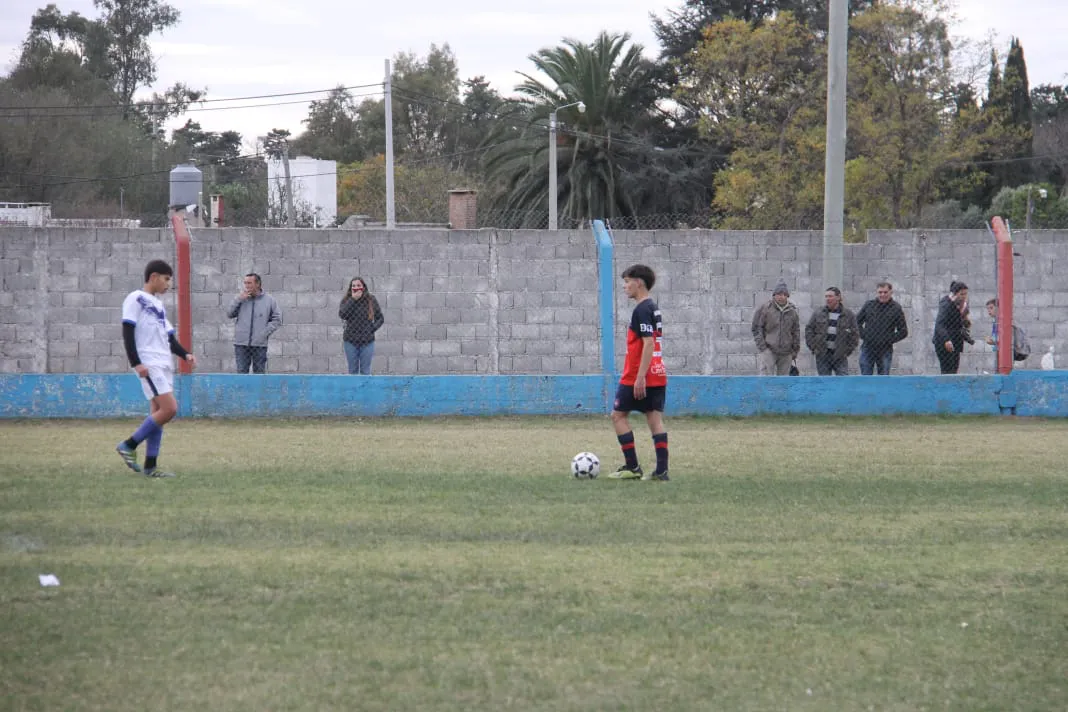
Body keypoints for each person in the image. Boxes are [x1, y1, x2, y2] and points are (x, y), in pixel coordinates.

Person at [115, 260, 197, 478]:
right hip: (149, 362)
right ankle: (128, 445)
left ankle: (151, 466)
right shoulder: (135, 298)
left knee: (158, 414)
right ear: (153, 277)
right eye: (166, 278)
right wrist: (136, 362)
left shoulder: (158, 305)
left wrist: (185, 354)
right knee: (169, 409)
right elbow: (128, 332)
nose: (169, 284)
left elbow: (169, 338)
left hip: (163, 363)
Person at [606, 264, 670, 481]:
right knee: (654, 419)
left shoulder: (641, 309)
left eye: (627, 282)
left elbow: (648, 343)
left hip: (638, 374)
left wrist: (640, 377)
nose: (625, 287)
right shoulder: (653, 307)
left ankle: (632, 467)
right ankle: (661, 471)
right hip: (658, 372)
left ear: (639, 282)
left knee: (618, 416)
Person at [226, 272, 282, 373]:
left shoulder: (269, 300)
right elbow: (229, 314)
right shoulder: (240, 298)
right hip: (241, 344)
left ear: (258, 284)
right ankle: (243, 389)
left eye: (249, 283)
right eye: (245, 283)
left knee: (259, 373)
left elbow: (277, 319)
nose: (246, 286)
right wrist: (239, 299)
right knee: (242, 372)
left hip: (259, 345)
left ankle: (258, 390)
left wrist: (264, 334)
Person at [855, 282, 909, 375]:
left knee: (883, 377)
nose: (882, 295)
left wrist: (888, 339)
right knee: (865, 375)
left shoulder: (896, 308)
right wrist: (865, 336)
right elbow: (856, 323)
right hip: (868, 347)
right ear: (877, 292)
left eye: (885, 292)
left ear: (891, 292)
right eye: (880, 292)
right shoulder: (869, 305)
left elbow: (903, 331)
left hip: (885, 349)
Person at [805, 286, 859, 376]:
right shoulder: (818, 313)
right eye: (826, 296)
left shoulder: (848, 315)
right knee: (824, 383)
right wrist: (814, 348)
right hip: (822, 355)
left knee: (842, 381)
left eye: (830, 296)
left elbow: (855, 334)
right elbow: (809, 330)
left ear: (838, 297)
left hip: (840, 356)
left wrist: (847, 351)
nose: (827, 299)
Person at [751, 279, 801, 375]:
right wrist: (763, 348)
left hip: (786, 353)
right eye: (779, 294)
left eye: (784, 294)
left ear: (787, 296)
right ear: (774, 295)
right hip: (769, 350)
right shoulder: (765, 309)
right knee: (765, 380)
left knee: (783, 383)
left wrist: (794, 350)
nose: (782, 297)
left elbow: (796, 331)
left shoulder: (792, 312)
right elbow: (756, 328)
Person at [339, 277, 384, 374]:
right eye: (353, 286)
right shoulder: (347, 300)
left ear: (363, 287)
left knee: (365, 371)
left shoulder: (371, 299)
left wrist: (371, 329)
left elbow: (380, 318)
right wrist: (353, 299)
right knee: (352, 370)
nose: (356, 287)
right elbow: (342, 314)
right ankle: (353, 389)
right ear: (350, 288)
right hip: (350, 340)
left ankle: (365, 388)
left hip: (367, 340)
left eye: (358, 285)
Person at [932, 280, 971, 374]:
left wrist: (966, 321)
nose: (964, 297)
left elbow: (963, 322)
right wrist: (946, 340)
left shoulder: (962, 305)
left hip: (956, 340)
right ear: (955, 294)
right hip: (944, 342)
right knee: (947, 371)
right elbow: (939, 325)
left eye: (965, 294)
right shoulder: (946, 304)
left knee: (954, 370)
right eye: (962, 294)